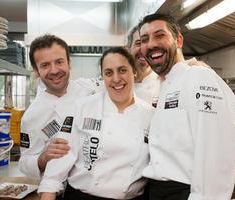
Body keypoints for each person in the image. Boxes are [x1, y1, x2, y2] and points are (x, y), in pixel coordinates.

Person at [139, 13, 235, 200]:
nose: (151, 44)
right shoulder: (166, 85)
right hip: (157, 191)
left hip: (184, 193)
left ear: (178, 40)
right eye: (145, 39)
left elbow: (214, 155)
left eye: (159, 35)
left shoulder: (198, 77)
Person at [38, 47, 154, 200]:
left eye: (122, 70)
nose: (116, 78)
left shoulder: (151, 115)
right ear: (103, 77)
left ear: (134, 71)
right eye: (108, 73)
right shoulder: (83, 107)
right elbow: (59, 163)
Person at [18, 34, 103, 178]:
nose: (54, 70)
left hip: (101, 179)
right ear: (36, 70)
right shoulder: (31, 116)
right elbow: (24, 162)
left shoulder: (91, 89)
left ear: (69, 63)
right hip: (58, 189)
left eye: (59, 62)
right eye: (45, 65)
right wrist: (43, 158)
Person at [127, 25, 160, 106]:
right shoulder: (118, 83)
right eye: (138, 43)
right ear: (128, 50)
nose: (144, 49)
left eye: (146, 42)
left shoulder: (164, 84)